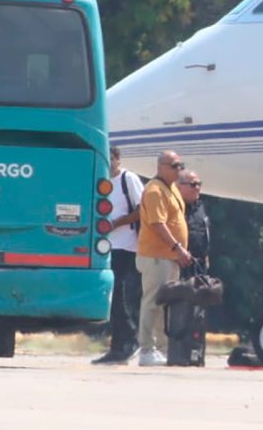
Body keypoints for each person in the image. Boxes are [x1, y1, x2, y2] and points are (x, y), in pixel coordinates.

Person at [135, 151, 192, 367]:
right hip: (156, 256)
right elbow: (158, 224)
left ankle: (161, 348)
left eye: (180, 165)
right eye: (175, 165)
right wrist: (177, 247)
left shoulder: (172, 189)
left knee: (164, 304)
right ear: (161, 166)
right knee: (152, 303)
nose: (179, 169)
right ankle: (146, 350)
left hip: (170, 257)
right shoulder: (154, 190)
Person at [92, 146, 146, 365]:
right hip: (105, 245)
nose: (110, 163)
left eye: (113, 159)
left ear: (118, 159)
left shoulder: (128, 179)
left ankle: (128, 338)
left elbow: (143, 209)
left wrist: (117, 223)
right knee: (111, 294)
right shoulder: (102, 181)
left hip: (125, 244)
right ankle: (119, 343)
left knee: (117, 292)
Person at [177, 170, 210, 273]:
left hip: (199, 265)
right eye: (193, 185)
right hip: (179, 264)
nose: (197, 188)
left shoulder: (200, 207)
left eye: (199, 184)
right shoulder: (174, 208)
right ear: (179, 186)